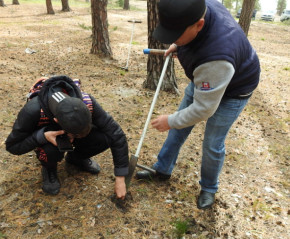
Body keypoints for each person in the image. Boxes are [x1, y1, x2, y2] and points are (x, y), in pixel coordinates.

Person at [136, 0, 260, 209]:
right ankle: (162, 169)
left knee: (212, 144)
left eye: (175, 34)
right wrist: (178, 43)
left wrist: (170, 120)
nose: (171, 39)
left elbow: (204, 109)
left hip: (234, 91)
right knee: (178, 130)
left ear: (199, 25)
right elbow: (190, 37)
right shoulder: (198, 5)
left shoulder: (216, 59)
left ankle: (209, 188)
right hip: (206, 80)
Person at [6, 75, 129, 198]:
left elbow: (116, 134)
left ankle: (76, 158)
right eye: (75, 135)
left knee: (105, 137)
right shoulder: (33, 110)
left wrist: (120, 177)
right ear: (56, 120)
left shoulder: (87, 102)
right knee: (50, 151)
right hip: (49, 136)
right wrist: (42, 136)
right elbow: (13, 146)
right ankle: (49, 169)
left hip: (68, 128)